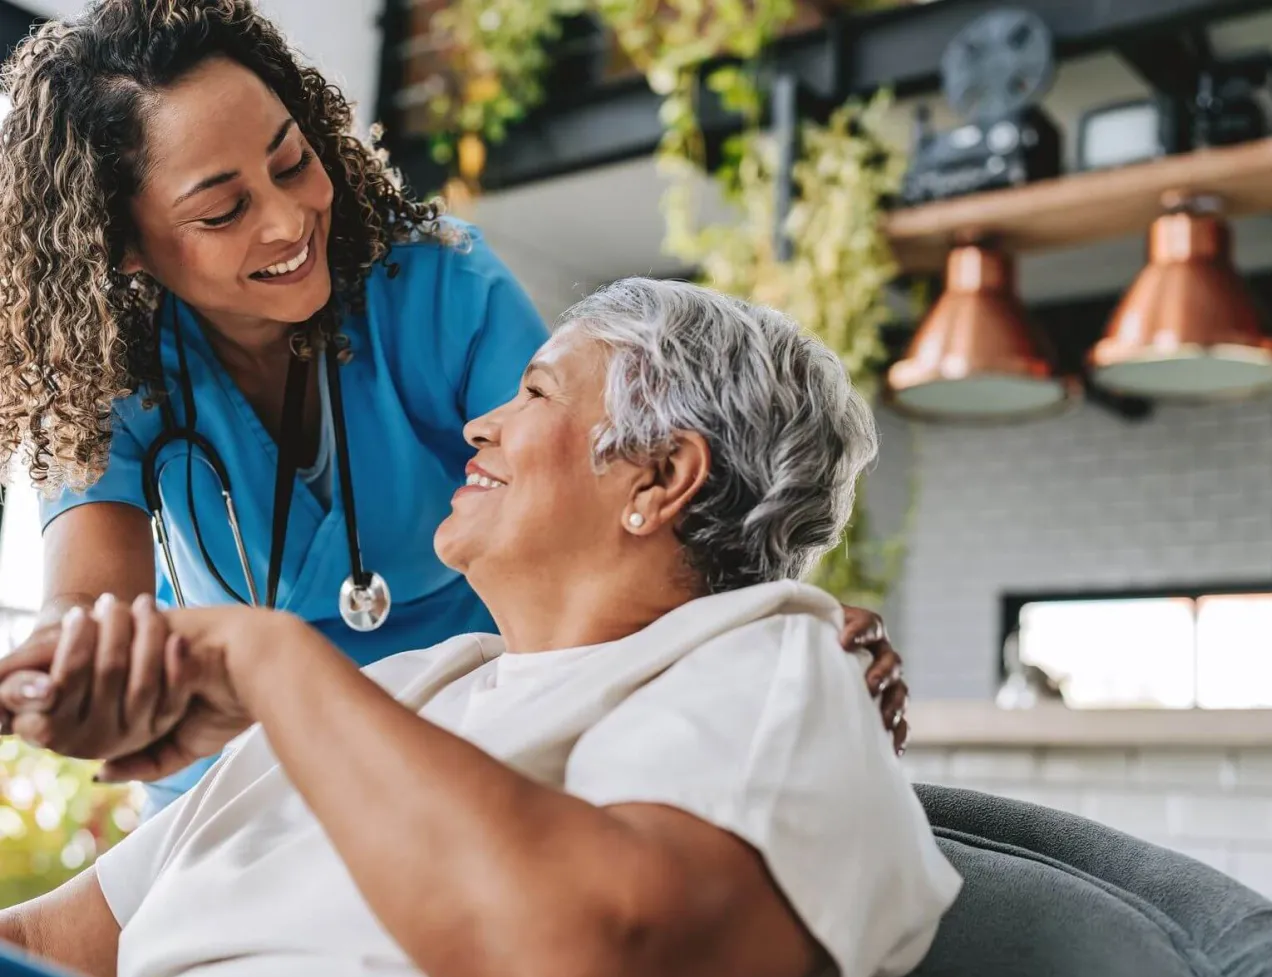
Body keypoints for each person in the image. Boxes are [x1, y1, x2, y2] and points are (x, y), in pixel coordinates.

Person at [0, 0, 907, 813]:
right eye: (223, 211)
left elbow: (609, 495)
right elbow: (85, 604)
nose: (286, 221)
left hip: (457, 753)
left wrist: (776, 634)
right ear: (123, 245)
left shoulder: (437, 288)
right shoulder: (106, 371)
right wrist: (69, 672)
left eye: (291, 162)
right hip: (231, 786)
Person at [0, 280, 960, 977]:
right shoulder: (410, 687)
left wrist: (267, 655)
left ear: (660, 476)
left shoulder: (776, 669)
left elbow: (588, 956)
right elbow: (48, 948)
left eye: (537, 394)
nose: (478, 424)